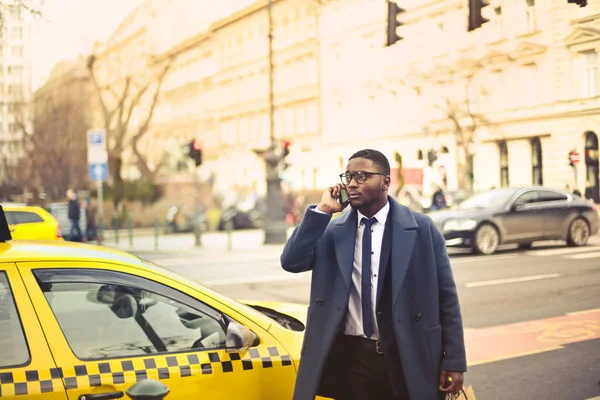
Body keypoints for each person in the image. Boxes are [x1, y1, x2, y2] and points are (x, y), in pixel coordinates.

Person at [281, 149, 466, 400]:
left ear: (385, 182)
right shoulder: (332, 230)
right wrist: (323, 211)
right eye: (348, 177)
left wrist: (453, 360)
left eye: (362, 176)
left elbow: (447, 298)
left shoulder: (421, 228)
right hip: (353, 360)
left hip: (407, 355)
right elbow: (291, 262)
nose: (352, 183)